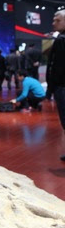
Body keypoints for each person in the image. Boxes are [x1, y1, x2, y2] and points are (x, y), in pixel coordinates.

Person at [46, 10, 65, 160]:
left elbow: (56, 66)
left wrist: (51, 88)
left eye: (57, 20)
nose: (53, 23)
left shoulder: (61, 40)